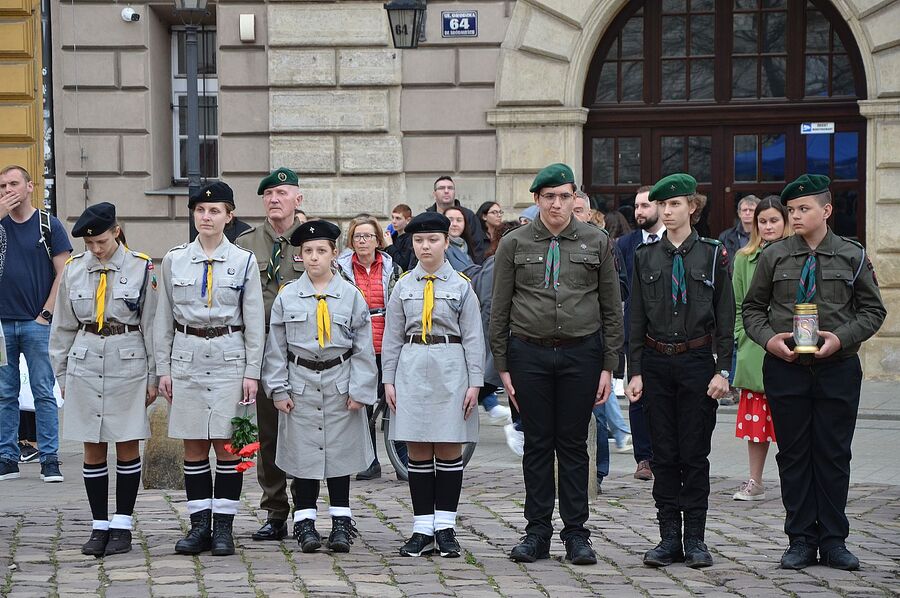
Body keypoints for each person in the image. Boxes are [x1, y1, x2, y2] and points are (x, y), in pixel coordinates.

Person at [742, 174, 886, 571]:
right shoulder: (774, 256)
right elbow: (752, 309)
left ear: (826, 211)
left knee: (833, 454)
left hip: (837, 368)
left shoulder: (852, 255)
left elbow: (873, 311)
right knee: (793, 455)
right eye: (791, 210)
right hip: (786, 368)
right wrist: (769, 340)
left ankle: (834, 540)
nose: (795, 216)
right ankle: (801, 539)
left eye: (803, 209)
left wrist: (841, 338)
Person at [491, 163, 623, 566]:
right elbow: (499, 308)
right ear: (537, 199)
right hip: (528, 354)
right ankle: (536, 532)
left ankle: (576, 533)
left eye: (565, 196)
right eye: (549, 197)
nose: (557, 204)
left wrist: (608, 366)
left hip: (581, 354)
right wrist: (502, 365)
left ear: (574, 199)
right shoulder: (513, 243)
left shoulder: (596, 241)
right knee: (536, 444)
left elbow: (611, 308)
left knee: (573, 445)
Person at [625, 173, 734, 569]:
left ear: (692, 206)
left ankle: (696, 539)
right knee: (664, 454)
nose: (667, 211)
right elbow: (636, 317)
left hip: (696, 362)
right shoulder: (645, 256)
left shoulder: (712, 254)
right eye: (662, 205)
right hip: (656, 363)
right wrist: (634, 371)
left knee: (694, 453)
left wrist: (724, 370)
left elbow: (726, 316)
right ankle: (669, 536)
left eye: (674, 204)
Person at [154, 181, 265, 557]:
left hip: (229, 359)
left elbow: (254, 321)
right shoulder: (175, 260)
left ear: (229, 216)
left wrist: (252, 372)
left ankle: (224, 529)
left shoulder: (244, 261)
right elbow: (163, 319)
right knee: (194, 445)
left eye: (215, 211)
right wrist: (163, 368)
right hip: (187, 358)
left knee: (229, 445)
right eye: (200, 210)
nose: (206, 217)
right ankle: (199, 526)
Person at [262, 220, 378, 554]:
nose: (314, 257)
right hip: (300, 383)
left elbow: (363, 347)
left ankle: (341, 522)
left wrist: (360, 389)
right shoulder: (288, 296)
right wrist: (278, 389)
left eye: (321, 251)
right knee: (304, 456)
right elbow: (276, 348)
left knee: (339, 455)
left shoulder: (350, 295)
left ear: (334, 254)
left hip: (339, 382)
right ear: (299, 256)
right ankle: (305, 522)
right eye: (308, 251)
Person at [48, 203, 158, 556]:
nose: (96, 249)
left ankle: (122, 523)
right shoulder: (74, 269)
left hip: (128, 359)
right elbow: (63, 327)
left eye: (102, 241)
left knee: (126, 442)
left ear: (117, 232)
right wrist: (61, 374)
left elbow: (152, 325)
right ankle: (99, 524)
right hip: (85, 359)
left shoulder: (141, 267)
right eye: (90, 244)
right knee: (92, 445)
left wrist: (154, 376)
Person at [382, 212, 484, 558]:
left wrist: (475, 382)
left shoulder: (461, 286)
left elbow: (473, 337)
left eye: (433, 240)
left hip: (450, 367)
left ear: (446, 242)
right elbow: (393, 337)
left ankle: (446, 527)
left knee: (449, 447)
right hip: (411, 367)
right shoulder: (403, 286)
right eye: (419, 241)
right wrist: (388, 379)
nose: (425, 246)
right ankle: (422, 528)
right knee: (418, 449)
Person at [236, 167, 305, 543]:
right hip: (262, 346)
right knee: (268, 433)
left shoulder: (312, 240)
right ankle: (276, 511)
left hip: (304, 348)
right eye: (268, 195)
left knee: (307, 430)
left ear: (298, 199)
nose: (274, 199)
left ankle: (308, 510)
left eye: (282, 193)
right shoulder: (246, 243)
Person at [0, 165, 72, 483]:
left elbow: (64, 272)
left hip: (36, 323)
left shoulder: (47, 224)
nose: (7, 190)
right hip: (2, 324)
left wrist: (46, 314)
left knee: (43, 391)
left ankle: (49, 458)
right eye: (2, 186)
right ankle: (7, 457)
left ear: (30, 187)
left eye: (13, 184)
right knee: (5, 393)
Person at [731, 196, 790, 501]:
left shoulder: (797, 254)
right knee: (756, 422)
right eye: (762, 221)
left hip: (791, 344)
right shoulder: (744, 258)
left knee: (791, 419)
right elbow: (738, 303)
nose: (768, 227)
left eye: (774, 220)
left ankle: (794, 481)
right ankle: (755, 480)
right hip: (754, 346)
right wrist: (741, 337)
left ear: (785, 222)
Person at [335, 217, 403, 481]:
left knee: (395, 403)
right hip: (357, 345)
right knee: (362, 405)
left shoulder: (392, 268)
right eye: (358, 236)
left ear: (378, 240)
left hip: (387, 343)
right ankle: (370, 461)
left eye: (368, 236)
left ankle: (403, 461)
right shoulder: (340, 270)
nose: (362, 241)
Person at [617, 185, 663, 481]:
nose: (639, 212)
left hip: (668, 332)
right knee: (637, 393)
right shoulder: (626, 244)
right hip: (635, 331)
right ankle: (643, 458)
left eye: (645, 205)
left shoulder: (672, 241)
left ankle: (663, 456)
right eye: (636, 206)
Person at [426, 176, 487, 263]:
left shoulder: (469, 216)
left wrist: (475, 269)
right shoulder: (427, 218)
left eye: (450, 188)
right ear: (434, 193)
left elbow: (477, 247)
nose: (446, 191)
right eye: (441, 188)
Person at [719, 195, 760, 271]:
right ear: (739, 213)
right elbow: (722, 265)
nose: (747, 213)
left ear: (758, 213)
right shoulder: (725, 237)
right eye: (744, 210)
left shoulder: (764, 235)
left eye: (751, 210)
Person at [386, 203, 413, 270]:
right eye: (393, 217)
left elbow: (403, 264)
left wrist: (390, 245)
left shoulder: (410, 239)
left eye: (398, 218)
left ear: (408, 220)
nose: (393, 221)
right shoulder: (393, 236)